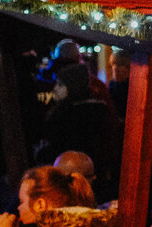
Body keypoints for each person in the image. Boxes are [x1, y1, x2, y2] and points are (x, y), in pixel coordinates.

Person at [40, 62, 123, 200]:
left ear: (71, 86)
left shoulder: (65, 115)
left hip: (68, 180)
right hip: (97, 178)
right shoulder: (99, 110)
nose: (55, 89)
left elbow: (54, 148)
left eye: (60, 85)